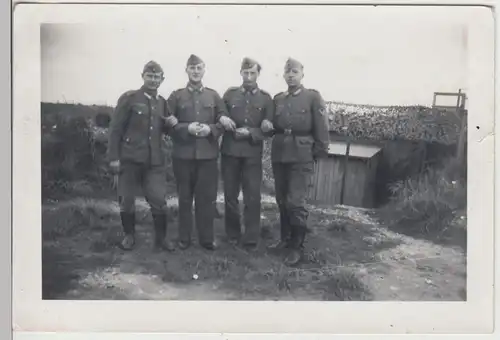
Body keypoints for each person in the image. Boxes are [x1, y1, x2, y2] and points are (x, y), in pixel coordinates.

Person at [267, 57, 330, 266]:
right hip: (280, 153)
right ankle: (285, 239)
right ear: (283, 75)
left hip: (302, 154)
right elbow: (272, 125)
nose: (291, 75)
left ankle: (297, 246)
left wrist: (318, 152)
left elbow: (321, 127)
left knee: (296, 201)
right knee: (282, 199)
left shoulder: (312, 97)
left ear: (302, 74)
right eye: (287, 72)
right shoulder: (278, 99)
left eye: (295, 71)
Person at [107, 60, 175, 252]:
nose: (153, 80)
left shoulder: (162, 103)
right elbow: (116, 129)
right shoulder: (130, 98)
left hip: (154, 161)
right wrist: (113, 157)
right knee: (126, 199)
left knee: (159, 200)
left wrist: (171, 123)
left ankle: (161, 239)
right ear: (143, 76)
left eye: (157, 77)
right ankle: (129, 236)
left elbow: (165, 129)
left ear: (162, 79)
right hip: (129, 158)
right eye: (149, 76)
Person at [166, 54, 229, 250]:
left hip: (208, 156)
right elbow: (166, 123)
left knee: (206, 199)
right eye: (192, 68)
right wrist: (186, 129)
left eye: (199, 68)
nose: (195, 71)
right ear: (186, 70)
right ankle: (184, 239)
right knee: (184, 198)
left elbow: (223, 119)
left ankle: (206, 239)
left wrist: (212, 130)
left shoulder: (213, 96)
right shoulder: (176, 96)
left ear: (204, 71)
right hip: (183, 156)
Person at [219, 57, 274, 250]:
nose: (249, 76)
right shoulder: (230, 94)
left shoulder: (266, 99)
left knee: (252, 196)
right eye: (246, 72)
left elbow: (269, 129)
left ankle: (251, 237)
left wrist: (251, 132)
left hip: (252, 154)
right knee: (230, 196)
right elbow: (220, 114)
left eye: (253, 73)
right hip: (230, 152)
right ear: (240, 73)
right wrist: (223, 117)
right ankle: (232, 234)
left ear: (258, 74)